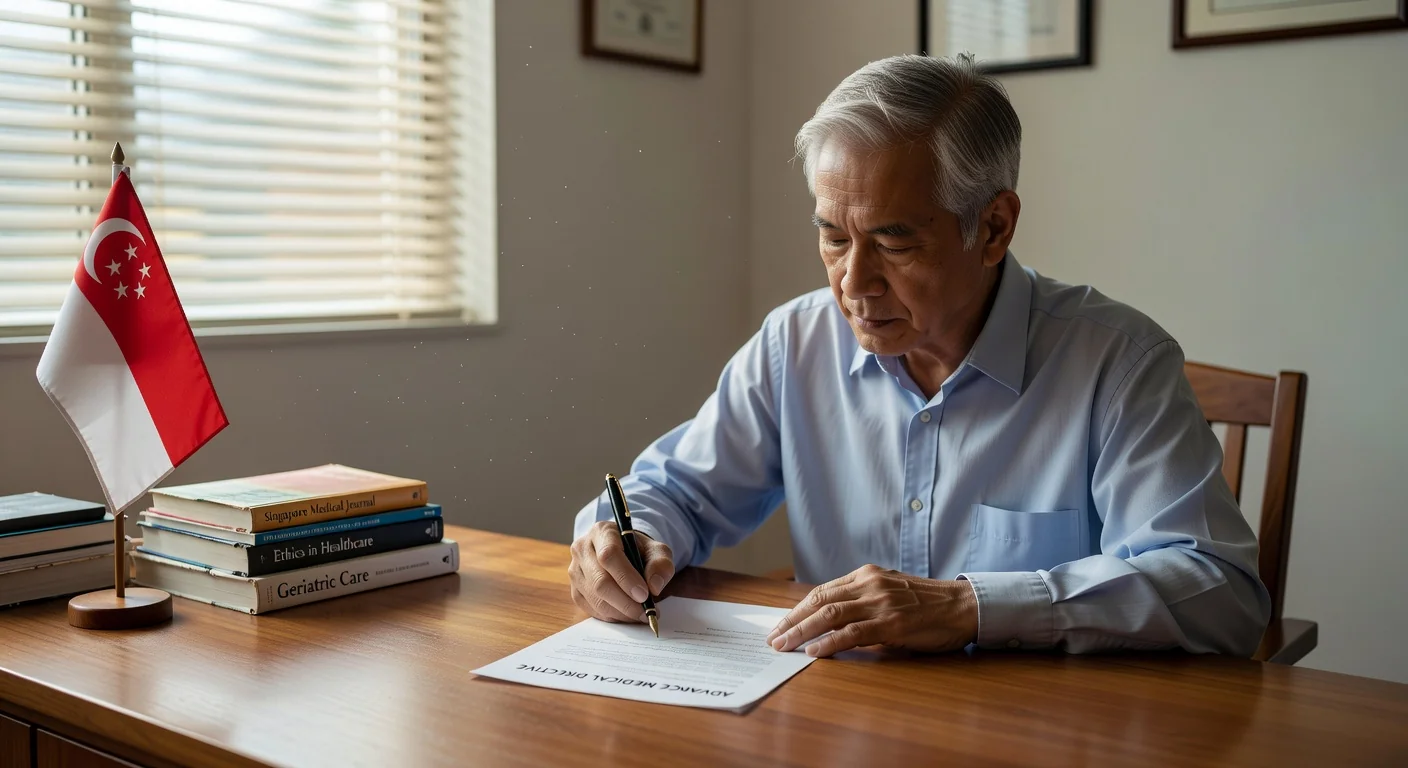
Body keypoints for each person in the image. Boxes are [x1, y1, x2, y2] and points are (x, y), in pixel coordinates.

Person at [570, 54, 1270, 659]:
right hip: (843, 721)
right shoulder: (795, 343)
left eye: (895, 243)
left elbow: (1220, 592)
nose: (852, 284)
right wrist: (619, 539)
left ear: (992, 227)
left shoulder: (1118, 364)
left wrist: (971, 607)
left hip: (1043, 732)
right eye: (833, 237)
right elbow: (675, 494)